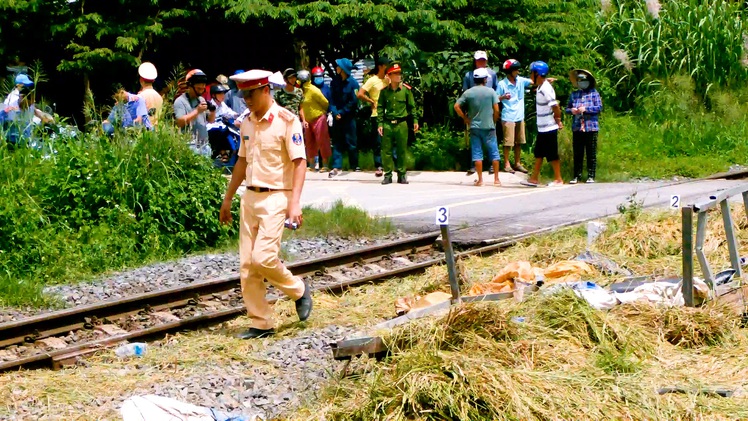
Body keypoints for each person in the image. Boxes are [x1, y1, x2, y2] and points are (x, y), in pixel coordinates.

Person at [219, 69, 312, 339]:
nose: (246, 99)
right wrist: (228, 198)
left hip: (276, 196)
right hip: (250, 197)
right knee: (248, 265)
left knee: (264, 258)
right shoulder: (246, 122)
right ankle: (261, 323)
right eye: (243, 94)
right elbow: (241, 161)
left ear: (265, 91)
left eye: (250, 94)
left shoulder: (286, 120)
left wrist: (294, 204)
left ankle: (299, 290)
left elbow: (300, 162)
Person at [454, 67, 501, 186]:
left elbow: (456, 106)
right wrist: (494, 120)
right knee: (494, 152)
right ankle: (496, 179)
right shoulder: (491, 92)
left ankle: (480, 180)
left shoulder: (469, 92)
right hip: (489, 126)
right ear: (485, 79)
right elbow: (496, 109)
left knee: (477, 154)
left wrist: (465, 118)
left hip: (474, 126)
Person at [521, 61, 564, 187]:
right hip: (542, 127)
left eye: (531, 73)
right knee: (539, 153)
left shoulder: (545, 88)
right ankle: (534, 178)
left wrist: (558, 119)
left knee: (552, 154)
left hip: (549, 127)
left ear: (537, 74)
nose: (530, 75)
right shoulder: (541, 86)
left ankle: (558, 179)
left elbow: (555, 106)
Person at [377, 63, 419, 185]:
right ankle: (388, 175)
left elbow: (412, 107)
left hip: (402, 123)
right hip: (388, 123)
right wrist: (380, 123)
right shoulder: (385, 92)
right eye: (395, 73)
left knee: (401, 150)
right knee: (386, 151)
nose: (398, 76)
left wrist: (415, 121)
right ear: (389, 75)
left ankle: (402, 175)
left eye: (399, 73)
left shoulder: (406, 90)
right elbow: (380, 108)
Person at [462, 51, 499, 176]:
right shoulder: (469, 75)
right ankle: (474, 165)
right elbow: (465, 94)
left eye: (483, 60)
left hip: (489, 111)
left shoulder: (492, 74)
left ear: (486, 61)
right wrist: (465, 115)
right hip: (474, 111)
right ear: (475, 61)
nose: (481, 62)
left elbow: (496, 90)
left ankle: (491, 166)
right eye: (479, 60)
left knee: (491, 140)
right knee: (475, 141)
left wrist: (495, 113)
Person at [566, 69, 603, 184]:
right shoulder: (574, 94)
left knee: (591, 152)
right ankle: (577, 175)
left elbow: (599, 108)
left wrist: (586, 109)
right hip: (577, 127)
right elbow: (567, 108)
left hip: (591, 126)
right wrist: (572, 110)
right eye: (579, 80)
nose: (582, 82)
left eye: (584, 80)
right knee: (578, 153)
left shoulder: (594, 93)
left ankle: (591, 175)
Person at [496, 59, 532, 174]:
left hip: (519, 115)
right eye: (516, 69)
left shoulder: (521, 81)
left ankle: (517, 163)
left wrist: (545, 80)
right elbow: (495, 98)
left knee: (519, 141)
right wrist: (503, 97)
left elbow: (533, 81)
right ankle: (506, 163)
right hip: (508, 116)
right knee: (508, 142)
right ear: (510, 71)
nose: (518, 71)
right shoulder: (502, 84)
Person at [357, 57, 390, 177]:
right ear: (381, 66)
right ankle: (379, 165)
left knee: (391, 140)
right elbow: (360, 93)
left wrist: (390, 82)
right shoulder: (372, 80)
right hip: (376, 114)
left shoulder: (388, 79)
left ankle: (393, 164)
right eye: (386, 66)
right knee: (378, 141)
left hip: (390, 113)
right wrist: (370, 101)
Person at [328, 58, 360, 177]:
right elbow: (331, 99)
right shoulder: (334, 82)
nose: (336, 68)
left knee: (351, 142)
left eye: (338, 66)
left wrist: (342, 112)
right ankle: (337, 166)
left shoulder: (354, 84)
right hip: (337, 116)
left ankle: (354, 165)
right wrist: (335, 112)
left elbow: (354, 101)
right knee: (337, 142)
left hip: (348, 117)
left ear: (343, 69)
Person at [174, 69, 216, 154]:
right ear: (190, 86)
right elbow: (179, 122)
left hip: (204, 145)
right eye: (198, 88)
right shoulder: (180, 101)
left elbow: (211, 120)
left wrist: (213, 110)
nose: (201, 91)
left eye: (202, 88)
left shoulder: (201, 99)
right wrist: (197, 111)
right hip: (190, 145)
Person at [299, 69, 332, 172]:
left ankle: (325, 164)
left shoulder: (314, 90)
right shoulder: (301, 91)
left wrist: (324, 112)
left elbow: (325, 102)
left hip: (318, 118)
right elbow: (301, 106)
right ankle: (312, 165)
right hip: (307, 120)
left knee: (322, 141)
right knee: (309, 142)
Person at [136, 62, 163, 127]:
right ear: (153, 80)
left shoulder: (139, 97)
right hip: (157, 133)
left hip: (143, 134)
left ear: (141, 79)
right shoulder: (160, 97)